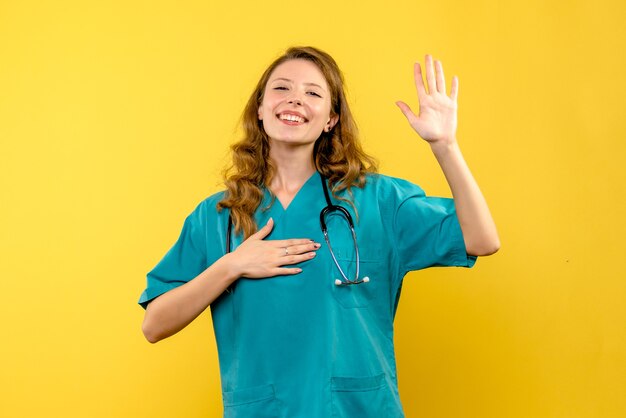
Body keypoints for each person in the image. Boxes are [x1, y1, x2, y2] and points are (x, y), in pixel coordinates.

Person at [138, 46, 499, 417]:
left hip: (356, 408)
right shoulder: (218, 215)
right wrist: (231, 266)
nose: (295, 99)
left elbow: (482, 240)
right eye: (281, 89)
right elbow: (154, 324)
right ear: (260, 109)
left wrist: (445, 145)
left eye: (313, 93)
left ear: (331, 119)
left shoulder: (378, 201)